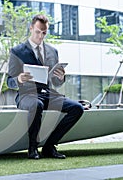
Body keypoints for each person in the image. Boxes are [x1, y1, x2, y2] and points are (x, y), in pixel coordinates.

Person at [7, 14, 84, 159]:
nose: (41, 36)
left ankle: (50, 146)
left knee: (77, 108)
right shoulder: (17, 51)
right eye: (38, 32)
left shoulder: (52, 51)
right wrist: (19, 79)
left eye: (44, 33)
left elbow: (56, 82)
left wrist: (60, 78)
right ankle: (32, 147)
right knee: (37, 104)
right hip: (26, 95)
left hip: (47, 93)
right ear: (31, 28)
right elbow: (9, 81)